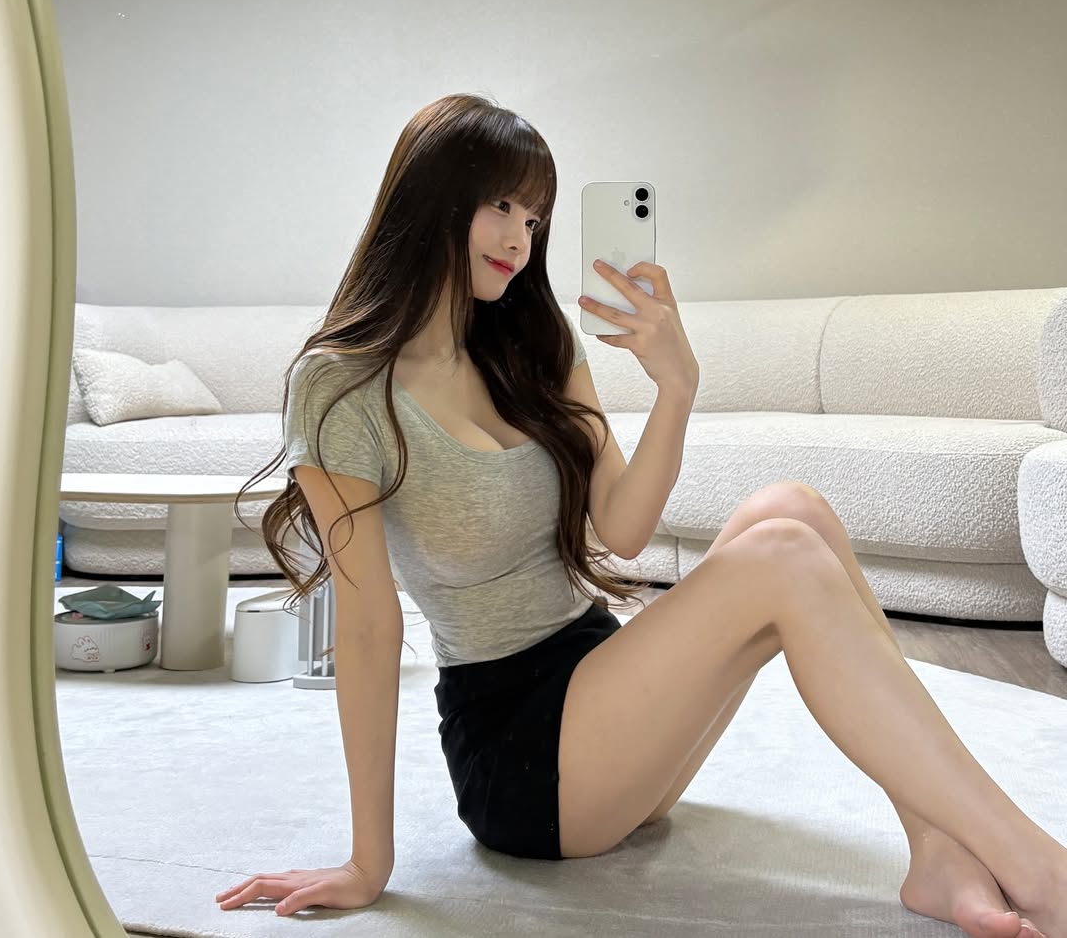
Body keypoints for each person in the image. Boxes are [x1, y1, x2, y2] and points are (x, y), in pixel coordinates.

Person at [216, 93, 1066, 936]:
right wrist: (368, 862)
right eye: (501, 204)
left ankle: (936, 850)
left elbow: (620, 529)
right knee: (781, 553)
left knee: (793, 509)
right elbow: (369, 629)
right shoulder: (342, 385)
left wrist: (676, 389)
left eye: (535, 217)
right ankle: (1040, 870)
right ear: (433, 195)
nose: (520, 239)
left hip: (606, 696)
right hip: (523, 759)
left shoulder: (533, 342)